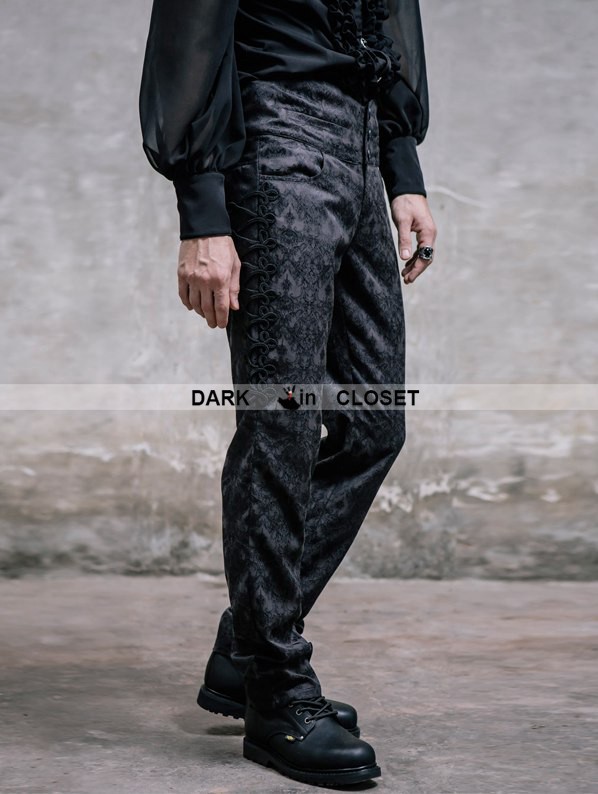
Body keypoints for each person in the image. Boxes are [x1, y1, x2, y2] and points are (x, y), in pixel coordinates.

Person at [139, 0, 437, 786]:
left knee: (374, 426)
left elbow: (382, 23)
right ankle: (275, 692)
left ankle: (248, 647)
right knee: (282, 424)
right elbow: (190, 31)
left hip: (360, 141)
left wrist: (401, 169)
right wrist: (203, 214)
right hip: (276, 137)